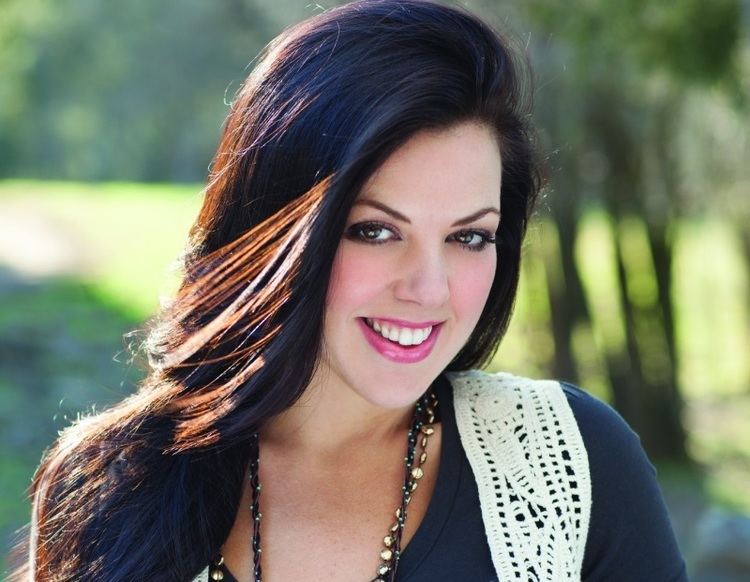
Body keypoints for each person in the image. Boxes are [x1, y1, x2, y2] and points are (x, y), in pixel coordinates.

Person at [12, 0, 688, 580]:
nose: (429, 289)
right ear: (272, 229)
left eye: (469, 237)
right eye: (374, 231)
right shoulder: (110, 488)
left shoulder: (570, 460)